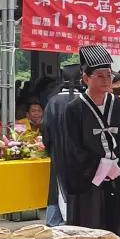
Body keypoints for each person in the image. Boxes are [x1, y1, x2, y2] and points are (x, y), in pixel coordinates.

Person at [60, 46, 120, 239]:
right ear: (86, 79)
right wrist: (101, 166)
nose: (106, 80)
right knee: (91, 231)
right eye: (100, 76)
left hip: (119, 179)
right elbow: (71, 148)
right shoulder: (74, 109)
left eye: (109, 75)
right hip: (89, 183)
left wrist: (119, 167)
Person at [42, 64, 82, 227]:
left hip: (59, 152)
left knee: (57, 188)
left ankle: (53, 222)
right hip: (82, 155)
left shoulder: (53, 102)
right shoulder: (86, 99)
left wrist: (48, 147)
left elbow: (46, 129)